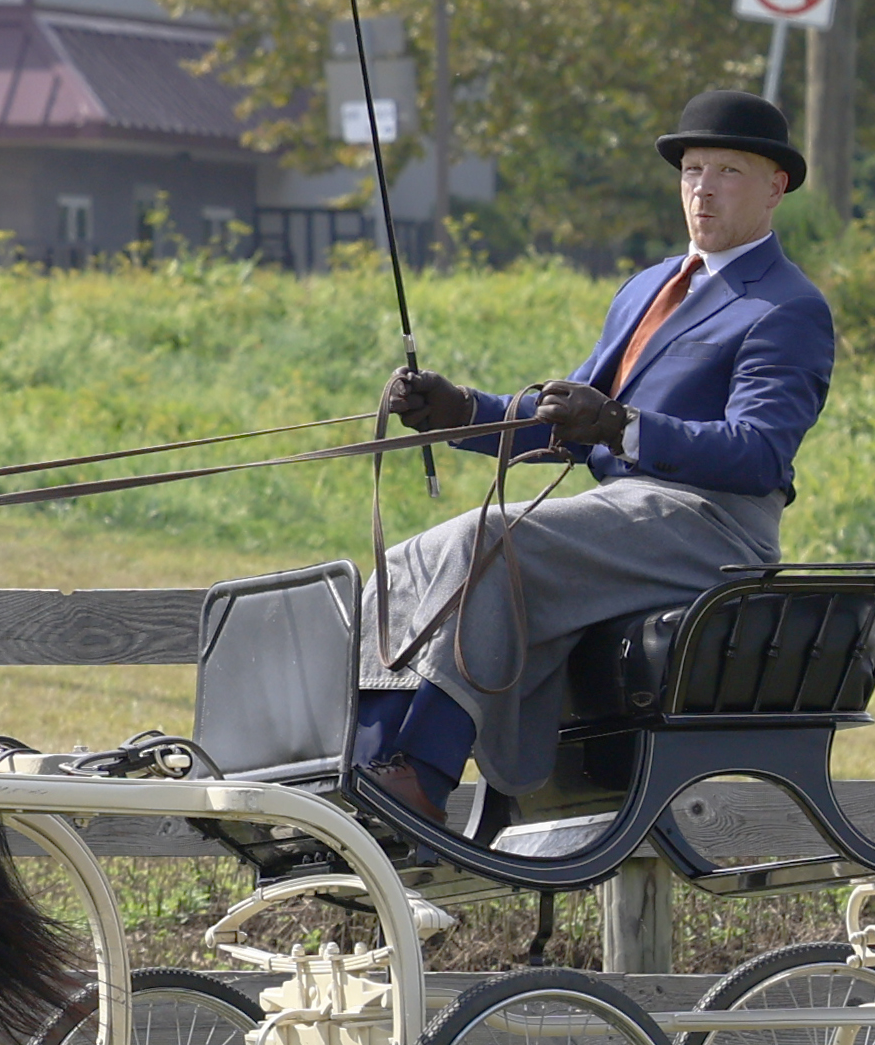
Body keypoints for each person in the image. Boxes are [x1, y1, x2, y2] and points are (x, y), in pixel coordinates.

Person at [349, 88, 836, 845]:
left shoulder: (785, 306)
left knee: (490, 537)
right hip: (626, 516)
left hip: (708, 526)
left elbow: (758, 450)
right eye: (692, 170)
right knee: (410, 557)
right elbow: (564, 422)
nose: (702, 188)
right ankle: (366, 763)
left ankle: (423, 772)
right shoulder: (645, 288)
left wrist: (622, 423)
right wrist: (457, 408)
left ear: (775, 187)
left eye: (728, 171)